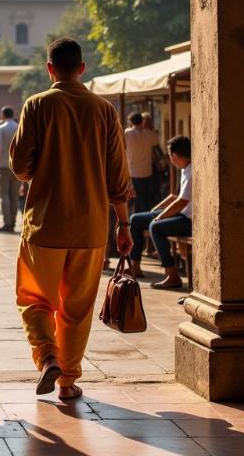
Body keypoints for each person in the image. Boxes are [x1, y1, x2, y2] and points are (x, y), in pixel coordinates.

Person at [10, 38, 133, 400]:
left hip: (44, 224)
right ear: (82, 68)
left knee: (34, 299)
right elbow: (117, 177)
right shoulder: (103, 110)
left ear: (50, 68)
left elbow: (20, 168)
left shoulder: (37, 105)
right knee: (76, 310)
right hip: (91, 226)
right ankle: (67, 381)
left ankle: (47, 355)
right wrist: (123, 224)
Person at [128, 135, 192, 289]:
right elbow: (175, 196)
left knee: (156, 227)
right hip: (181, 212)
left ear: (175, 155)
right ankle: (134, 266)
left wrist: (159, 218)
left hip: (188, 218)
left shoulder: (192, 171)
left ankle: (172, 274)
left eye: (170, 156)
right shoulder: (184, 169)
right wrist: (154, 212)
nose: (170, 159)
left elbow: (182, 202)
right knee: (136, 219)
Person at [124, 111, 160, 212]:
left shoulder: (127, 133)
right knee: (144, 198)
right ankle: (142, 219)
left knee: (134, 199)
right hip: (146, 172)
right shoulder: (149, 134)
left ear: (130, 122)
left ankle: (138, 220)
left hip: (132, 172)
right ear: (142, 121)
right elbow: (156, 142)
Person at [0, 106, 19, 232]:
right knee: (14, 196)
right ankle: (13, 222)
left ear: (3, 115)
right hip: (17, 167)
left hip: (3, 166)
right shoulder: (19, 127)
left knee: (4, 196)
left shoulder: (1, 128)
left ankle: (7, 223)